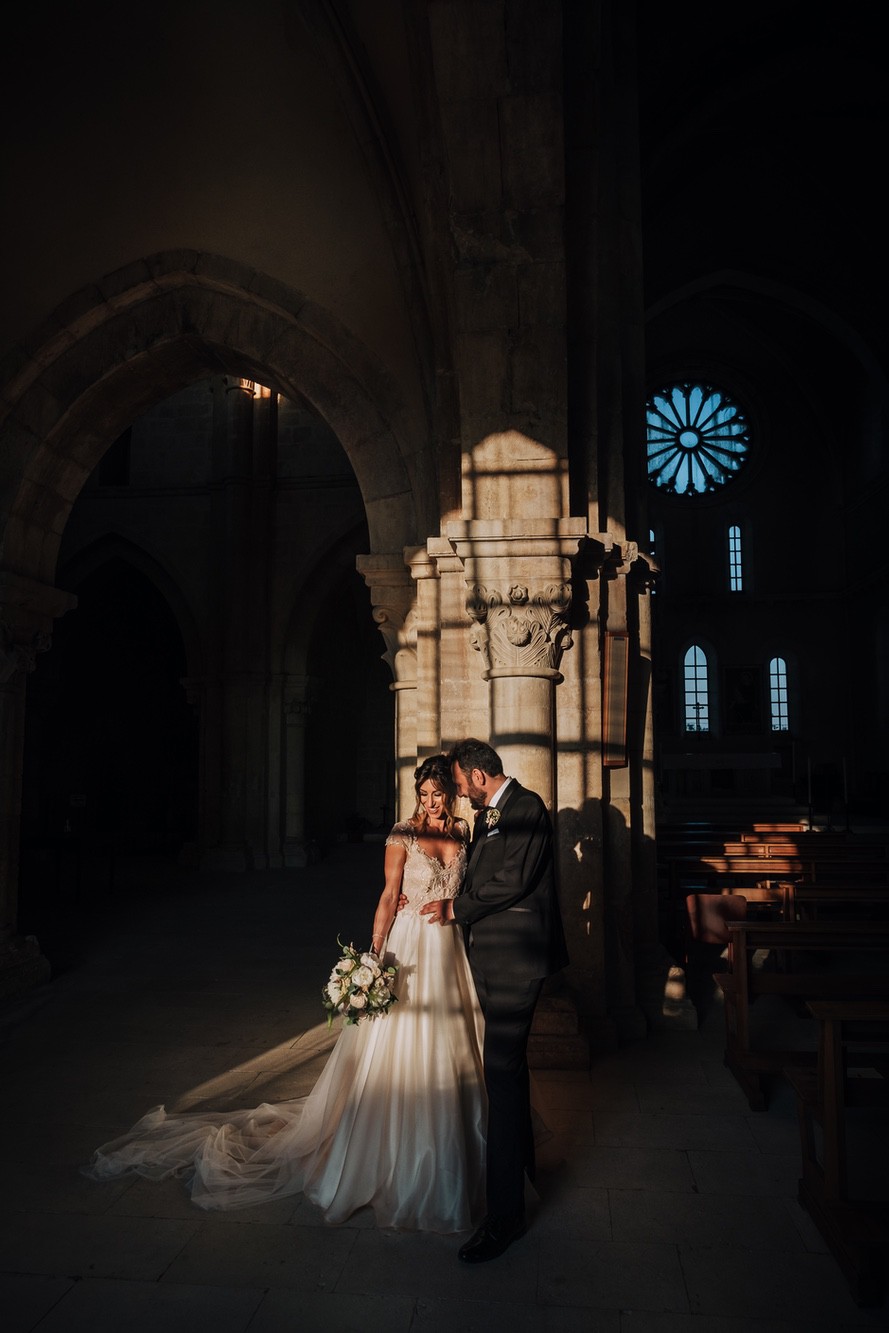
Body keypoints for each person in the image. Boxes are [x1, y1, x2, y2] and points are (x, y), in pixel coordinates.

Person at [83, 754, 486, 1233]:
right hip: (408, 947)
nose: (431, 804)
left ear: (451, 793)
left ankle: (453, 1147)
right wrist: (373, 957)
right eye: (424, 796)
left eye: (438, 795)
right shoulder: (402, 834)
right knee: (398, 1051)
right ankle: (388, 1152)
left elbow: (470, 887)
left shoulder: (464, 833)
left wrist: (454, 906)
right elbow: (387, 895)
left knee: (452, 1045)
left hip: (448, 951)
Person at [419, 737, 568, 1263]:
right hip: (495, 963)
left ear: (478, 777)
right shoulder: (491, 815)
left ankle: (504, 1220)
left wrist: (456, 908)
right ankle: (522, 1174)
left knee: (500, 1082)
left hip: (516, 965)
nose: (460, 794)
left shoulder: (527, 807)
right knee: (510, 1075)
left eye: (460, 785)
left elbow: (512, 880)